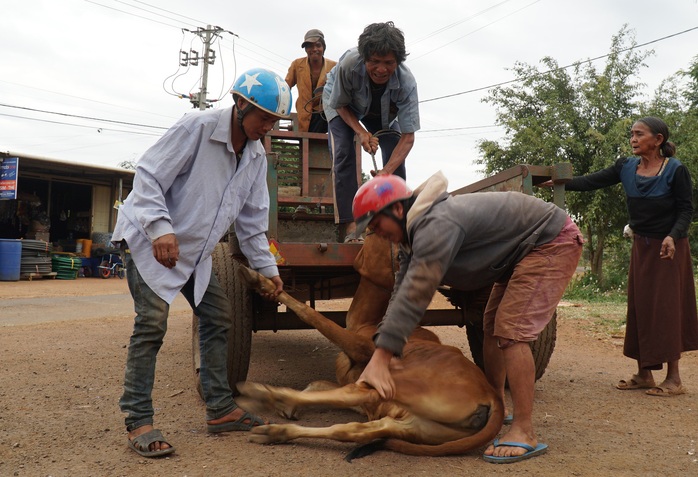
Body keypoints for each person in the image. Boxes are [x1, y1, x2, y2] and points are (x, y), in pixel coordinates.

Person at [111, 68, 290, 458]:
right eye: (263, 116)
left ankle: (220, 408)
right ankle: (138, 419)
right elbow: (148, 176)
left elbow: (252, 223)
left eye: (274, 121)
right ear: (240, 103)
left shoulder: (257, 157)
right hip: (150, 242)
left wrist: (269, 270)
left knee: (218, 317)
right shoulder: (197, 126)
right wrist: (160, 229)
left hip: (193, 254)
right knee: (152, 325)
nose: (268, 126)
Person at [352, 172, 583, 463]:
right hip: (519, 253)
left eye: (375, 224)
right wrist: (382, 349)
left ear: (397, 210)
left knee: (511, 332)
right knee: (491, 327)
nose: (376, 233)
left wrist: (382, 358)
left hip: (550, 241)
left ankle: (524, 430)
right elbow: (402, 289)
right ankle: (497, 405)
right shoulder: (412, 236)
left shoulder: (437, 223)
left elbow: (418, 290)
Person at [562, 116, 698, 397]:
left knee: (667, 309)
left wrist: (673, 236)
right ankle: (644, 374)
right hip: (642, 246)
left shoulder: (675, 170)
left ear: (657, 140)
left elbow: (686, 209)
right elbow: (590, 182)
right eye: (631, 134)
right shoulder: (625, 167)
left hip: (669, 249)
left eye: (639, 134)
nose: (633, 139)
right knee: (640, 305)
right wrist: (558, 183)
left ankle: (674, 379)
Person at [322, 21, 419, 242]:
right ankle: (351, 226)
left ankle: (395, 224)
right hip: (342, 104)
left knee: (395, 153)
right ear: (365, 58)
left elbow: (408, 137)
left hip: (383, 113)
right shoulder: (348, 65)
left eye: (388, 63)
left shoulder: (407, 82)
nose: (381, 69)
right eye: (374, 62)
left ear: (398, 61)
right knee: (344, 151)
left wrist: (387, 171)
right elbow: (339, 104)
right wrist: (360, 132)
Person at [285, 29, 337, 133]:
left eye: (318, 45)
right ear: (305, 49)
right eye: (309, 46)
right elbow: (285, 87)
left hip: (324, 115)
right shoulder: (297, 64)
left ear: (323, 47)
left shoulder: (334, 67)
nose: (314, 49)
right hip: (304, 114)